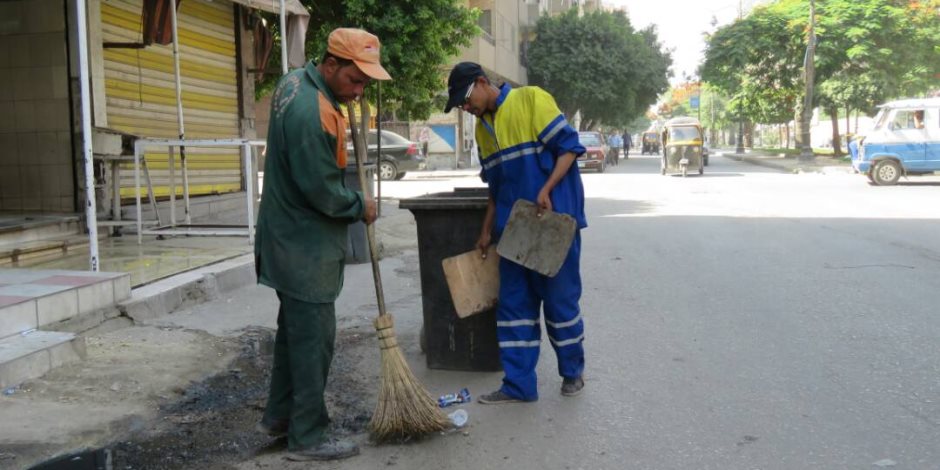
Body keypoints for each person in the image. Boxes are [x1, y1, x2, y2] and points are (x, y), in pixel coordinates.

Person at [253, 27, 389, 461]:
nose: (359, 89)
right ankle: (308, 435)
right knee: (314, 339)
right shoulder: (313, 113)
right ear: (331, 64)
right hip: (304, 244)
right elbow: (323, 192)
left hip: (285, 236)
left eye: (366, 82)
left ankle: (280, 417)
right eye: (354, 79)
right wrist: (360, 205)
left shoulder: (293, 82)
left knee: (294, 335)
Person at [444, 62, 587, 404]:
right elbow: (496, 186)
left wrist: (548, 188)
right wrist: (484, 231)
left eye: (465, 99)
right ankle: (519, 385)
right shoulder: (482, 130)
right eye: (461, 105)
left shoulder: (530, 100)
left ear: (482, 82)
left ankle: (572, 373)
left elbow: (569, 148)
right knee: (513, 308)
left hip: (552, 225)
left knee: (559, 303)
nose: (466, 108)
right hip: (512, 232)